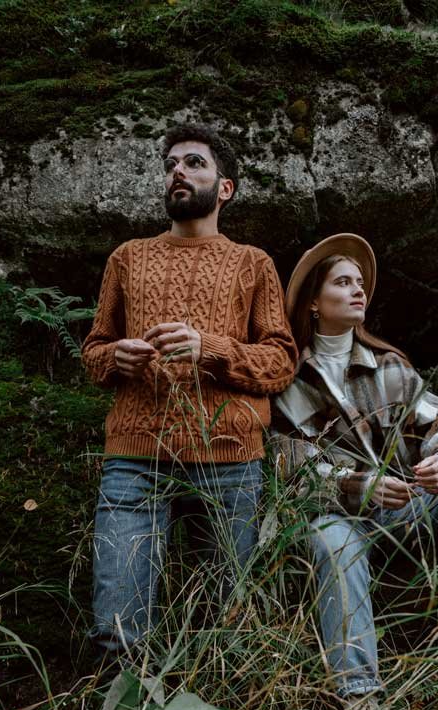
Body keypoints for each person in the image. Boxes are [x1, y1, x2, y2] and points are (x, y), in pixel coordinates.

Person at [272, 233, 438, 710]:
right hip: (337, 519)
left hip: (405, 510)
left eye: (360, 283)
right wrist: (356, 486)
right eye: (343, 282)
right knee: (333, 542)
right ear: (314, 303)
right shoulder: (287, 379)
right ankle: (360, 701)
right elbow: (288, 470)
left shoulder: (387, 365)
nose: (358, 290)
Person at [82, 123, 297, 665]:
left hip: (230, 461)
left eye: (194, 162)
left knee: (227, 623)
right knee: (117, 627)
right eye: (171, 164)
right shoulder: (127, 257)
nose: (178, 171)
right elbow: (94, 351)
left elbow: (281, 362)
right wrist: (115, 357)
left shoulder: (254, 263)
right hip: (134, 460)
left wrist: (211, 348)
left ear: (225, 188)